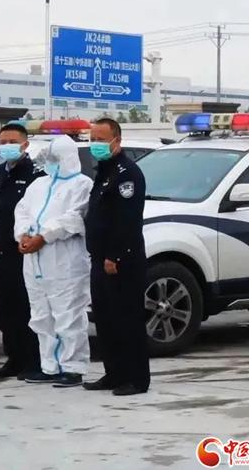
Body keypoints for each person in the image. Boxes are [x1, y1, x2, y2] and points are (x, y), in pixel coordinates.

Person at [15, 135, 93, 388]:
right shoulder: (38, 185)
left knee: (68, 314)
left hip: (65, 259)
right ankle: (49, 366)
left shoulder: (82, 185)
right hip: (34, 260)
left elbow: (74, 218)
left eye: (55, 157)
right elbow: (22, 210)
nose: (50, 162)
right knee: (41, 315)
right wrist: (23, 235)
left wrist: (44, 236)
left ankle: (73, 368)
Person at [83, 118, 150, 396]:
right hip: (100, 257)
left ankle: (136, 378)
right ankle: (114, 373)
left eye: (101, 139)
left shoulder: (127, 173)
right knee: (106, 318)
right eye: (92, 139)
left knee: (127, 319)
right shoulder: (104, 171)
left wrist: (115, 256)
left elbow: (127, 220)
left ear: (116, 141)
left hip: (121, 260)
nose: (95, 144)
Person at [0, 121, 42, 379]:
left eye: (12, 142)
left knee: (25, 307)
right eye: (3, 142)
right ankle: (14, 358)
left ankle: (32, 360)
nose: (7, 146)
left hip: (25, 249)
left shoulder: (35, 175)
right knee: (7, 308)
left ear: (25, 145)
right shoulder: (0, 175)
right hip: (3, 250)